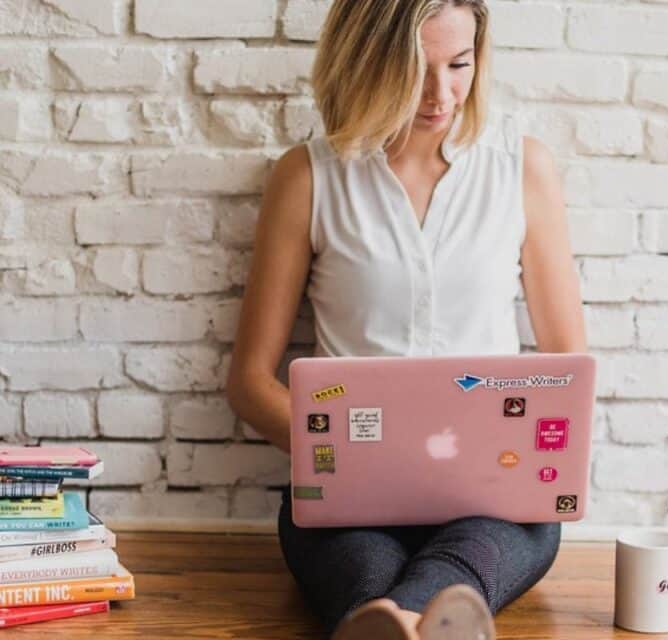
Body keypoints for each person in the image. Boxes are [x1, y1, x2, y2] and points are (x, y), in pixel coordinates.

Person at [226, 1, 588, 638]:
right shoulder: (308, 176)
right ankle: (410, 619)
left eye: (460, 65)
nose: (442, 93)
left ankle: (393, 620)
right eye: (416, 69)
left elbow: (567, 369)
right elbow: (250, 383)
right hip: (347, 502)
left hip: (494, 505)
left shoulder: (520, 168)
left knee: (457, 563)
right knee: (364, 569)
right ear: (366, 61)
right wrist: (349, 456)